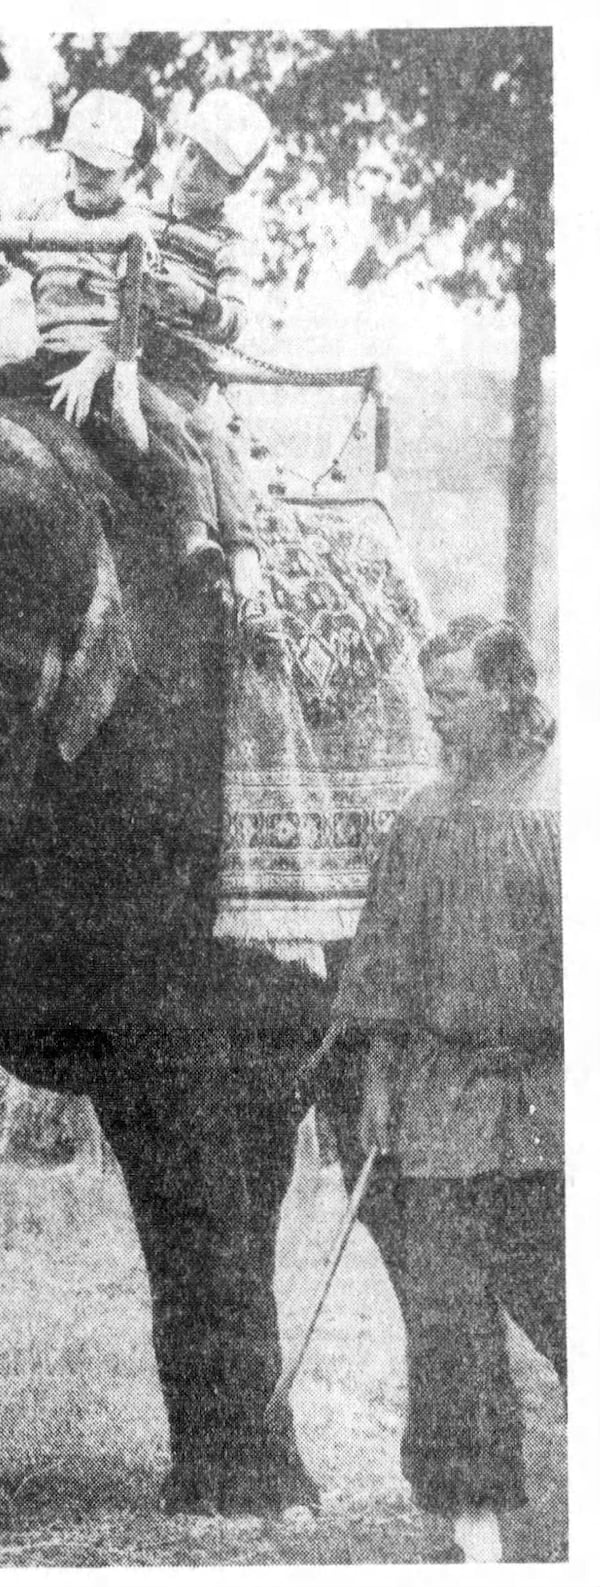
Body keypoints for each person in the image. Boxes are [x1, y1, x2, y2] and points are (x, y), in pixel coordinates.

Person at [330, 615, 562, 1562]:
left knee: (561, 1294)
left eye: (454, 698)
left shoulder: (562, 807)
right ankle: (476, 1523)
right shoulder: (423, 817)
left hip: (546, 1105)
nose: (437, 717)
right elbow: (382, 964)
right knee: (448, 1318)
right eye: (431, 700)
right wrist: (378, 1075)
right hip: (437, 1107)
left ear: (509, 692)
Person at [0, 89, 237, 592]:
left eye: (102, 170)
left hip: (110, 361)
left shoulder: (139, 226)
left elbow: (142, 311)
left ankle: (196, 530)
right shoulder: (43, 211)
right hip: (50, 358)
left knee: (164, 425)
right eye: (78, 162)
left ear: (133, 171)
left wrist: (96, 366)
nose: (86, 178)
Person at [58, 88, 278, 640]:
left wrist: (193, 298)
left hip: (185, 375)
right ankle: (173, 532)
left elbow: (234, 320)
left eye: (215, 169)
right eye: (191, 152)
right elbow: (89, 255)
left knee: (217, 445)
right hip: (130, 356)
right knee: (139, 417)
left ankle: (242, 580)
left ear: (235, 187)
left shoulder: (228, 243)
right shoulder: (143, 217)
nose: (195, 171)